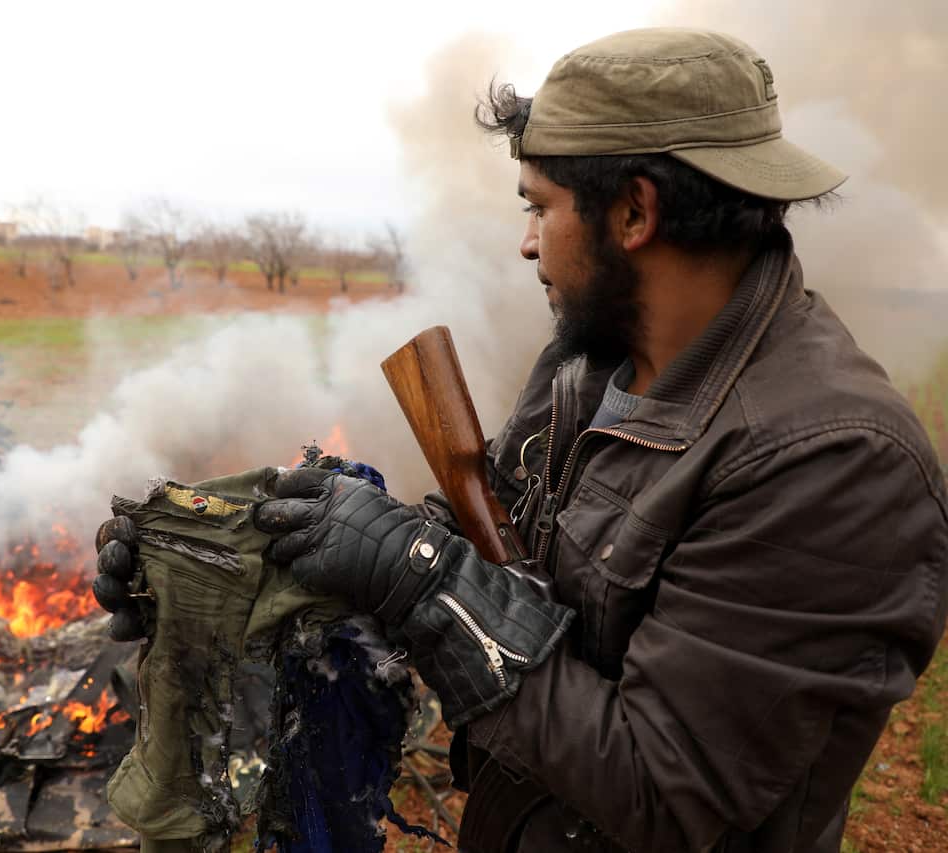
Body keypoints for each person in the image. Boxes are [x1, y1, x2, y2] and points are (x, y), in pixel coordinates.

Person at [97, 28, 948, 853]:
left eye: (540, 207)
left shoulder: (836, 463)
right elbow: (492, 558)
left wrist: (411, 573)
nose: (526, 241)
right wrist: (234, 564)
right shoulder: (590, 362)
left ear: (635, 212)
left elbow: (662, 789)